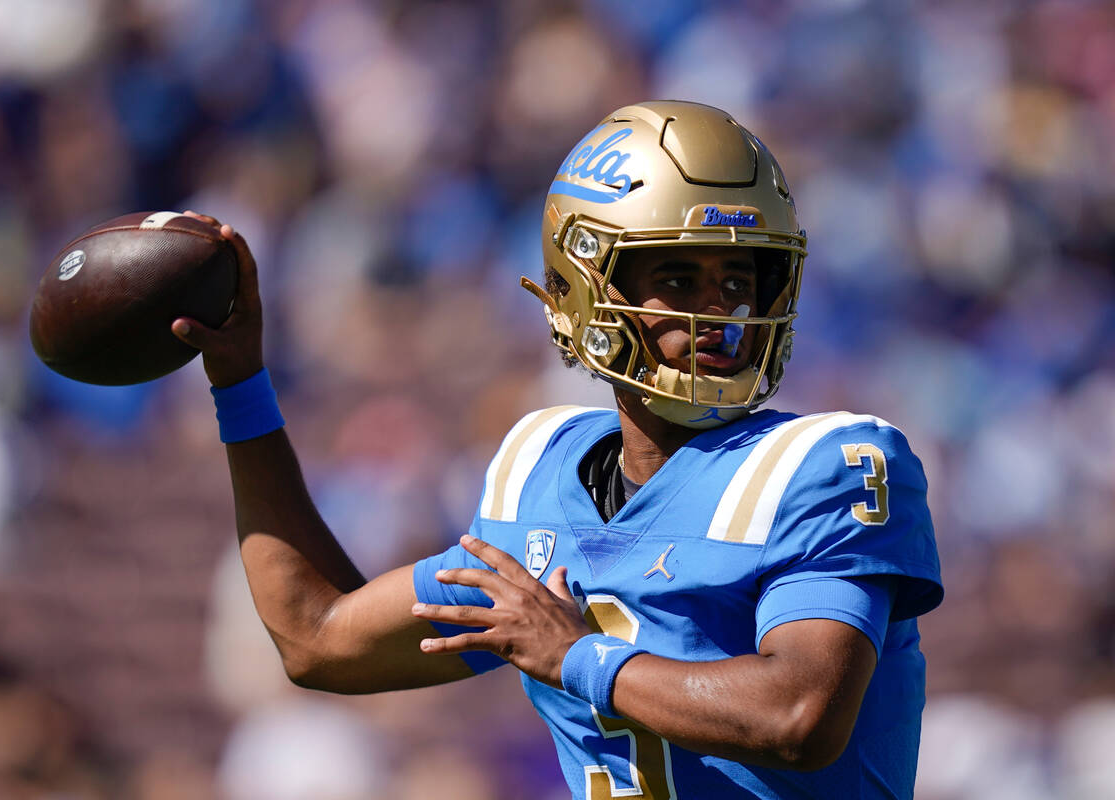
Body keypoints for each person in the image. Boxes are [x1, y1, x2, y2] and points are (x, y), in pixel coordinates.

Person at [171, 100, 943, 799]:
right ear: (581, 287)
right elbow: (318, 639)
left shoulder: (824, 466)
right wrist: (240, 384)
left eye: (738, 276)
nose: (720, 312)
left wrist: (578, 658)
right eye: (678, 277)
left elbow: (799, 716)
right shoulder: (540, 472)